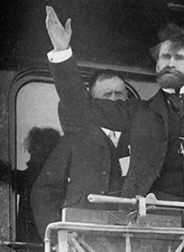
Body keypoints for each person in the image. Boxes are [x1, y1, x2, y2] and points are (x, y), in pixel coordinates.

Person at [42, 6, 184, 225]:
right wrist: (62, 52)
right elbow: (81, 107)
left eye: (179, 57)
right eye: (165, 57)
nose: (170, 63)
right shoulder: (137, 112)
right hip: (156, 217)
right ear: (157, 65)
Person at [30, 70, 131, 233]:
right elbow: (44, 193)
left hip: (131, 238)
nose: (113, 100)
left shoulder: (142, 140)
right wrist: (57, 238)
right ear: (92, 102)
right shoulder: (72, 141)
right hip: (81, 239)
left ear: (127, 98)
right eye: (107, 95)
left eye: (118, 94)